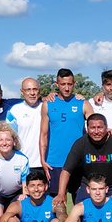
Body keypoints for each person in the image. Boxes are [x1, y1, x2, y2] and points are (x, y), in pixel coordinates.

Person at [58, 114, 112, 205]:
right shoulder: (80, 143)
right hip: (89, 185)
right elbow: (66, 170)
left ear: (106, 128)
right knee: (79, 210)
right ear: (87, 129)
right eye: (92, 128)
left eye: (100, 127)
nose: (96, 131)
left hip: (111, 186)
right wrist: (61, 194)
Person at [40, 69, 86, 201]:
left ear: (74, 84)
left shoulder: (83, 103)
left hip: (78, 161)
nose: (66, 88)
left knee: (80, 202)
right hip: (55, 161)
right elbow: (43, 135)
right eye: (63, 84)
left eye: (69, 84)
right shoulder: (48, 104)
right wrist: (43, 160)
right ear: (57, 84)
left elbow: (95, 125)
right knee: (58, 203)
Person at [6, 77, 44, 173]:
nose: (32, 93)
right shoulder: (15, 110)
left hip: (44, 164)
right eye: (28, 90)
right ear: (22, 92)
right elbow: (9, 137)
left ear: (39, 91)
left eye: (35, 89)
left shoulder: (47, 107)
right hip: (21, 164)